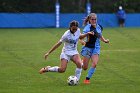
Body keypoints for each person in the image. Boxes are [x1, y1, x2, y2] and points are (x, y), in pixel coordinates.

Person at [79, 13, 109, 84]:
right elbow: (81, 37)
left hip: (96, 48)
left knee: (95, 64)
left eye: (95, 19)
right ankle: (81, 62)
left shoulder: (99, 27)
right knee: (85, 68)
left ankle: (87, 79)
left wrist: (104, 40)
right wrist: (82, 41)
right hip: (88, 48)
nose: (94, 21)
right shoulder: (87, 28)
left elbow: (100, 35)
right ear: (89, 20)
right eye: (92, 19)